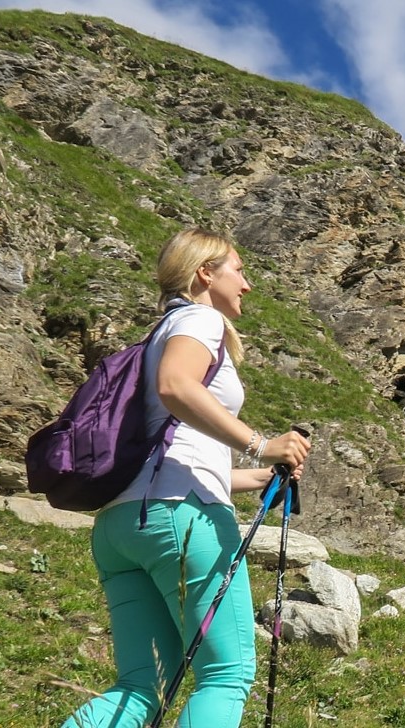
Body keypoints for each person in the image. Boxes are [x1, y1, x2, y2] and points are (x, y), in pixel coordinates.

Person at [62, 228, 311, 728]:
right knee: (226, 673)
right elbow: (175, 387)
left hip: (123, 525)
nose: (247, 285)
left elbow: (177, 449)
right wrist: (261, 443)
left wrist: (259, 474)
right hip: (182, 518)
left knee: (142, 685)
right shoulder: (200, 319)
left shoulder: (160, 332)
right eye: (238, 271)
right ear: (205, 273)